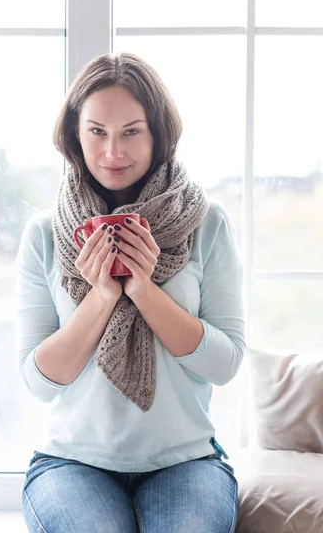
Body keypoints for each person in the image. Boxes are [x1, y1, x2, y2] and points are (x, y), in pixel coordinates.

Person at [15, 52, 245, 533]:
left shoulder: (207, 224)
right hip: (70, 463)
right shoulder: (43, 234)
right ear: (75, 135)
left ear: (159, 133)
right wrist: (101, 296)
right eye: (97, 131)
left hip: (186, 462)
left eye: (132, 131)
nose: (113, 152)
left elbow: (224, 365)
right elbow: (40, 381)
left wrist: (143, 287)